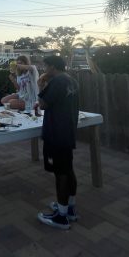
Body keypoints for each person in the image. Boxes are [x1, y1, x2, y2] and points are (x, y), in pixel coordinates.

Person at [36, 55, 79, 230]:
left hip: (55, 133)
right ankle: (69, 208)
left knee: (60, 173)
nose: (44, 69)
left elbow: (43, 105)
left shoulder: (56, 81)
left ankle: (61, 217)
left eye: (45, 66)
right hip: (68, 130)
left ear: (52, 67)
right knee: (68, 169)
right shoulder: (72, 80)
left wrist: (41, 86)